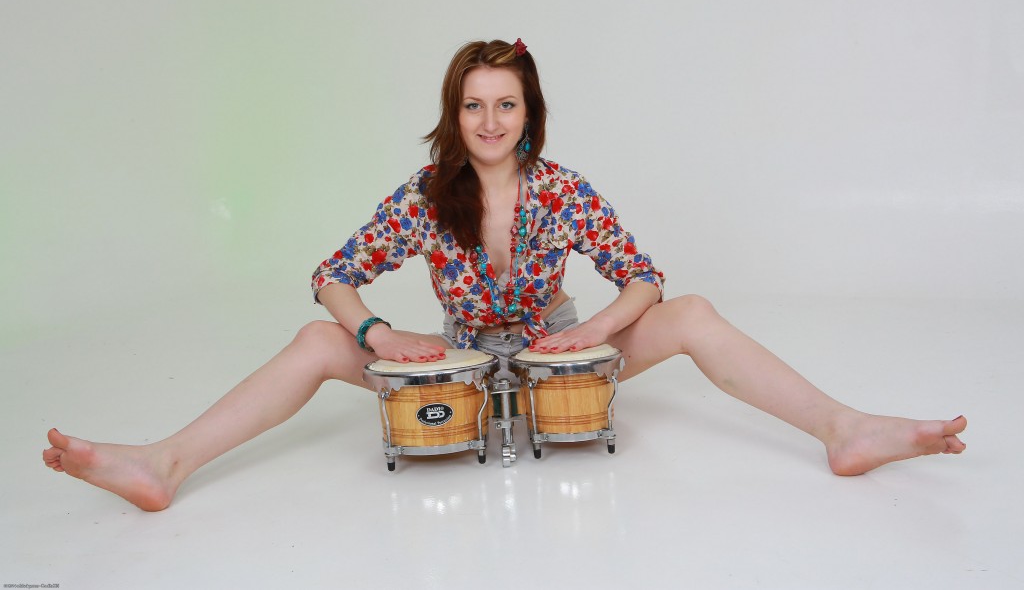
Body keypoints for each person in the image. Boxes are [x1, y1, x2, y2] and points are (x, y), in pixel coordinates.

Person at [43, 38, 967, 511]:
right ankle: (163, 463)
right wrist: (375, 332)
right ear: (455, 114)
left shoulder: (562, 190)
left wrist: (593, 331)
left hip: (560, 358)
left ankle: (844, 428)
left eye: (507, 105)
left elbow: (642, 278)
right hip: (461, 366)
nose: (490, 121)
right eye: (473, 105)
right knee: (316, 340)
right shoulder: (425, 194)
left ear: (530, 115)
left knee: (692, 311)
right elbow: (331, 274)